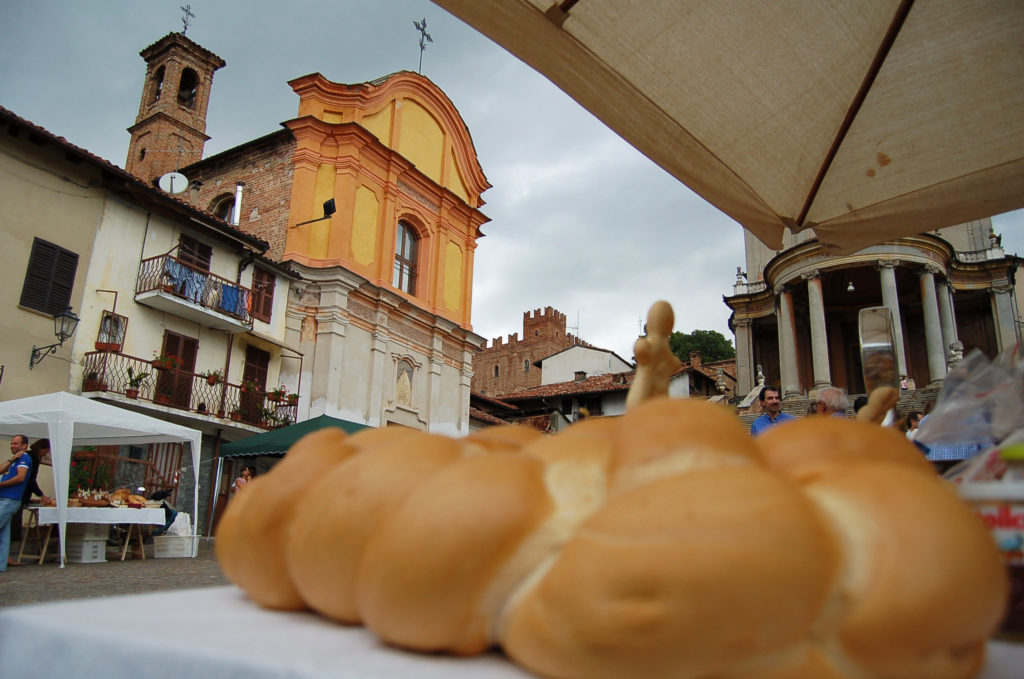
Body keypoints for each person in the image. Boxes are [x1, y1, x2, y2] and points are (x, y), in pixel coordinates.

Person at [7, 438, 50, 565]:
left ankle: (6, 556)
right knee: (11, 527)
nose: (45, 455)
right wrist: (41, 494)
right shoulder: (31, 459)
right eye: (46, 452)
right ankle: (6, 556)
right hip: (17, 496)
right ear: (43, 449)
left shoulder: (25, 457)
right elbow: (29, 479)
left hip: (17, 495)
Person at [1, 435, 33, 571]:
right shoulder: (16, 460)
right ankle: (1, 564)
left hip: (10, 499)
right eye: (12, 443)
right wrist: (11, 460)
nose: (12, 446)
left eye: (16, 443)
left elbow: (20, 478)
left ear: (24, 445)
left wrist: (1, 485)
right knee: (3, 534)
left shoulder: (25, 458)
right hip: (4, 498)